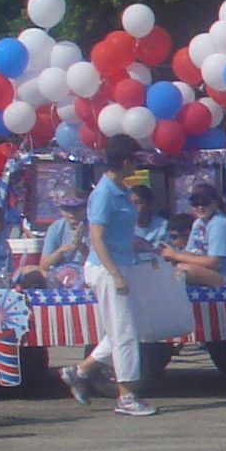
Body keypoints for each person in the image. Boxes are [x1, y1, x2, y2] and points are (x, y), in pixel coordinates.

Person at [65, 136, 159, 417]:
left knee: (122, 329)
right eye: (135, 160)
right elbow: (97, 238)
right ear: (125, 161)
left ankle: (79, 371)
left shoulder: (120, 188)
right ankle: (127, 396)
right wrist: (116, 275)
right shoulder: (104, 193)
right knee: (125, 334)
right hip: (107, 269)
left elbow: (118, 233)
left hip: (120, 263)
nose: (137, 165)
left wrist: (135, 243)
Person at [164, 182, 226, 286]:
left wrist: (176, 255)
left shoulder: (219, 224)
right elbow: (190, 254)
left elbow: (213, 263)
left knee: (185, 270)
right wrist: (168, 256)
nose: (200, 207)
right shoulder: (198, 223)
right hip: (214, 273)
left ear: (215, 203)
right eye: (195, 203)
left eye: (204, 202)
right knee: (169, 268)